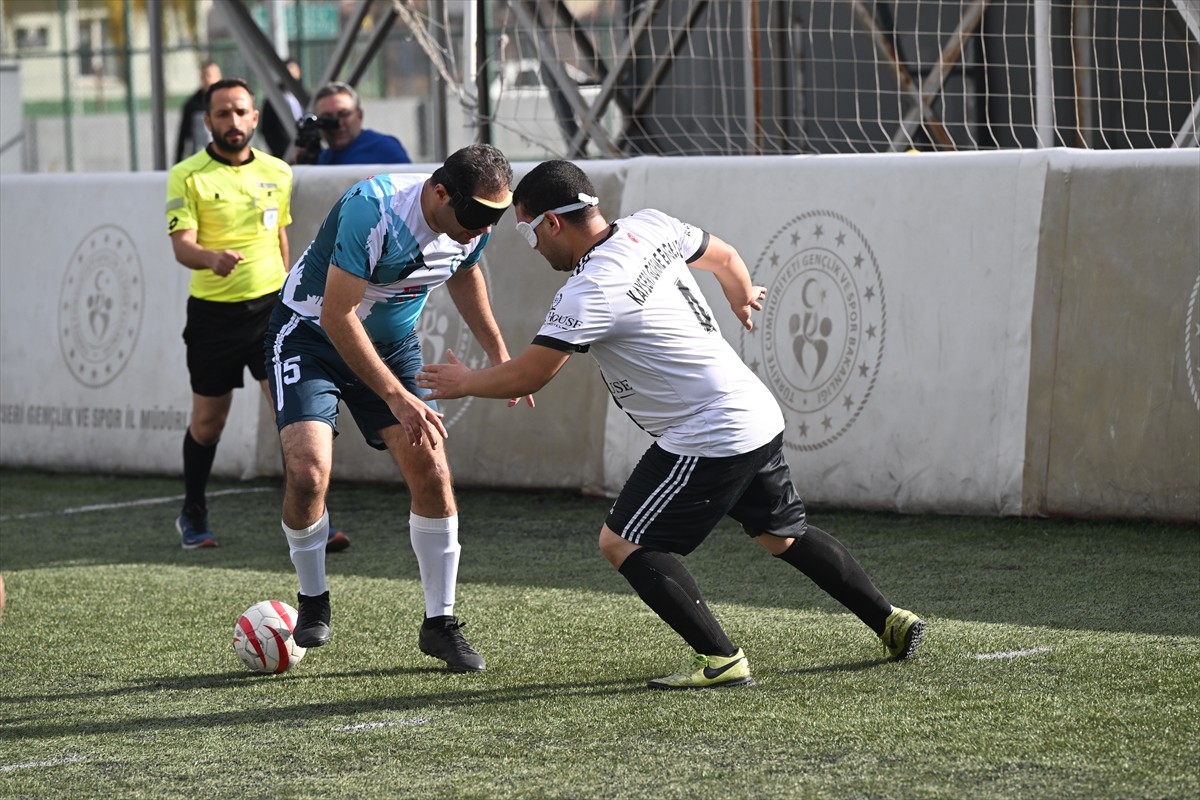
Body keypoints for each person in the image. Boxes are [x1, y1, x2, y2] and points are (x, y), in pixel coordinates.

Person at [416, 160, 927, 689]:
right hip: (754, 409)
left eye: (527, 234)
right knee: (782, 536)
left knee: (622, 542)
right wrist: (740, 294)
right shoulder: (650, 225)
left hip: (711, 430)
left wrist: (465, 382)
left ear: (551, 222)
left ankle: (722, 659)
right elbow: (726, 258)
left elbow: (533, 374)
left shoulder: (590, 288)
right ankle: (890, 619)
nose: (535, 248)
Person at [264, 143, 531, 672]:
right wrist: (394, 395)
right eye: (478, 215)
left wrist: (499, 355)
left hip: (391, 346)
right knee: (308, 473)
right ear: (441, 193)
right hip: (311, 337)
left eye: (496, 217)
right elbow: (338, 315)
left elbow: (465, 273)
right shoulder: (374, 209)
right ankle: (313, 598)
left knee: (433, 470)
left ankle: (440, 624)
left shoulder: (471, 225)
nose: (484, 228)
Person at [166, 77, 350, 554]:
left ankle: (315, 521)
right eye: (222, 113)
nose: (232, 121)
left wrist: (290, 291)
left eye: (240, 111)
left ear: (254, 117)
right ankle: (193, 513)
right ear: (208, 121)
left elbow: (281, 237)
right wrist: (210, 258)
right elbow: (182, 245)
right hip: (213, 318)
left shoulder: (278, 172)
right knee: (209, 423)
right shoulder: (187, 175)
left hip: (273, 314)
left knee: (295, 417)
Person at [295, 81, 411, 166]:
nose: (337, 124)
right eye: (327, 118)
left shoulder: (384, 149)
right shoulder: (323, 158)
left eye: (344, 114)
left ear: (359, 115)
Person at [174, 61, 221, 164]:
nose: (206, 80)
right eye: (203, 76)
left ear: (218, 77)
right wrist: (178, 161)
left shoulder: (227, 102)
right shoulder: (192, 105)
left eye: (209, 76)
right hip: (201, 158)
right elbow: (183, 136)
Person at [260, 58, 305, 159]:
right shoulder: (272, 100)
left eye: (293, 71)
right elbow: (267, 129)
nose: (290, 76)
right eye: (287, 72)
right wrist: (280, 151)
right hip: (283, 153)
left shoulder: (304, 97)